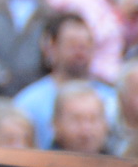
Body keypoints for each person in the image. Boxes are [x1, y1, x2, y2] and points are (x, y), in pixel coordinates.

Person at [13, 13, 117, 149]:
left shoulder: (111, 99)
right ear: (51, 47)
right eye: (72, 44)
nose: (80, 51)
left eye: (85, 44)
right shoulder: (28, 103)